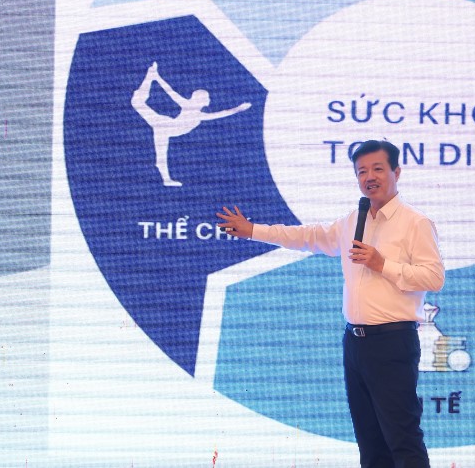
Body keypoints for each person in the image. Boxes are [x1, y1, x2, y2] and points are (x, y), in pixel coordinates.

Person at [216, 140, 444, 468]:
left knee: (403, 439)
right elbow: (307, 236)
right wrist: (253, 230)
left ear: (397, 172)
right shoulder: (353, 220)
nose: (369, 177)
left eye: (378, 169)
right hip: (355, 343)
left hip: (392, 342)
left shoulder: (415, 223)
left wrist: (382, 264)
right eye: (362, 171)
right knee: (370, 443)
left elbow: (433, 277)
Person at [131, 62, 251, 186]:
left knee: (138, 103)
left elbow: (170, 91)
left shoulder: (193, 110)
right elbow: (170, 91)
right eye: (205, 98)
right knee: (137, 102)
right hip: (164, 125)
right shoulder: (191, 108)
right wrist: (238, 109)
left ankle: (166, 178)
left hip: (165, 125)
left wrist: (157, 77)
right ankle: (150, 76)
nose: (208, 100)